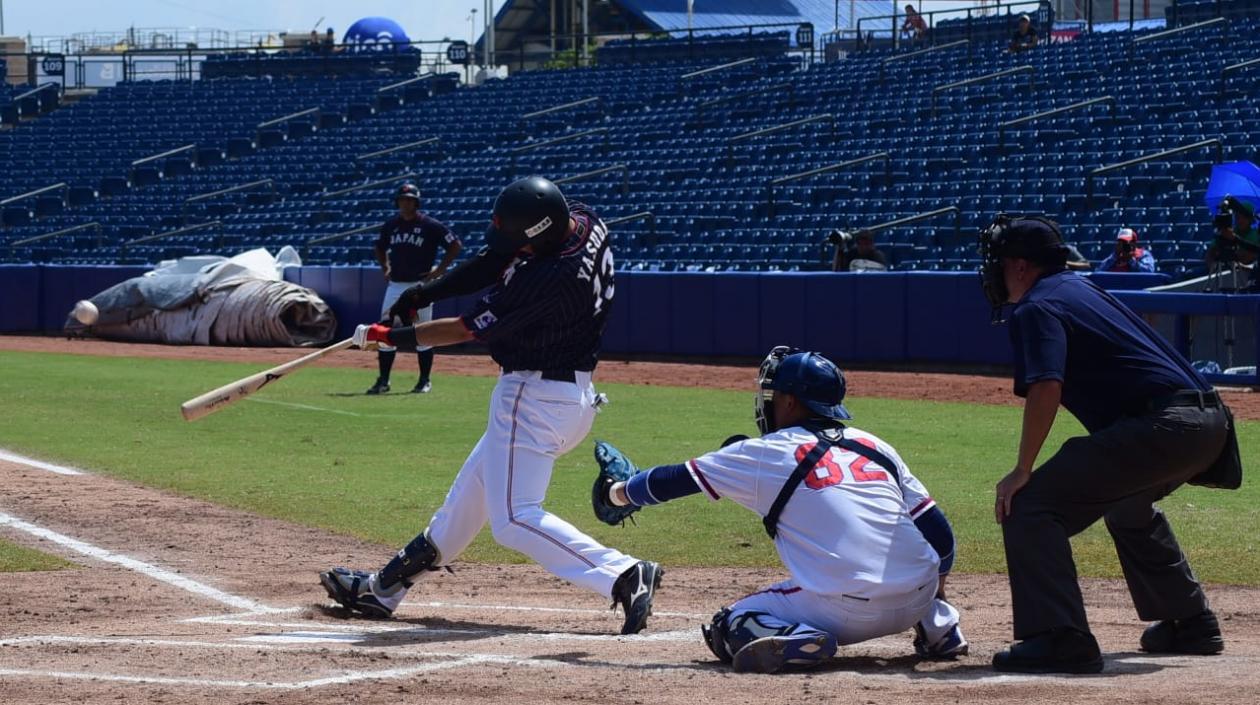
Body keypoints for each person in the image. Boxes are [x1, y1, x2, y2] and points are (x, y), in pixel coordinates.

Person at [320, 176, 662, 635]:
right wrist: (425, 293)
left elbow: (463, 329)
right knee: (465, 503)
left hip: (532, 397)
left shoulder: (550, 278)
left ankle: (622, 573)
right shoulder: (582, 220)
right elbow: (496, 258)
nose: (511, 248)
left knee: (515, 518)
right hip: (567, 396)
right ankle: (383, 590)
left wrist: (388, 339)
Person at [591, 347, 966, 673]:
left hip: (842, 613)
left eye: (774, 395)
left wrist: (618, 494)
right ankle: (941, 628)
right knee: (909, 559)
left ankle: (804, 637)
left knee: (730, 624)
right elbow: (940, 534)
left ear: (790, 402)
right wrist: (936, 592)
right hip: (918, 597)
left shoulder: (766, 452)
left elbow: (676, 479)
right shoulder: (876, 445)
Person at [978, 215, 1231, 674]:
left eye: (998, 263)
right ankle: (1191, 622)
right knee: (1128, 505)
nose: (992, 272)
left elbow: (1046, 386)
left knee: (1029, 504)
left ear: (1018, 266)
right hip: (1209, 423)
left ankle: (1060, 638)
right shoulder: (1081, 289)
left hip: (1166, 424)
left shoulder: (1038, 305)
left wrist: (1022, 469)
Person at [366, 183, 462, 395]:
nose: (405, 203)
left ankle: (424, 380)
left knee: (424, 330)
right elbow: (379, 247)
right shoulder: (391, 225)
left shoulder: (430, 225)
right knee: (386, 328)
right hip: (396, 284)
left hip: (420, 285)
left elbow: (455, 244)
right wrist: (385, 267)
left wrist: (440, 270)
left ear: (416, 202)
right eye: (402, 199)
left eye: (409, 199)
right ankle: (383, 380)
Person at [1206, 196, 1260, 277]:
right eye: (1238, 216)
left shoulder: (1256, 234)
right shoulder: (1228, 233)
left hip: (1248, 277)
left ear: (1250, 219)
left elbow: (1250, 256)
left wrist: (1234, 241)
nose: (1240, 220)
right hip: (1226, 276)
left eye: (1244, 217)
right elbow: (1211, 252)